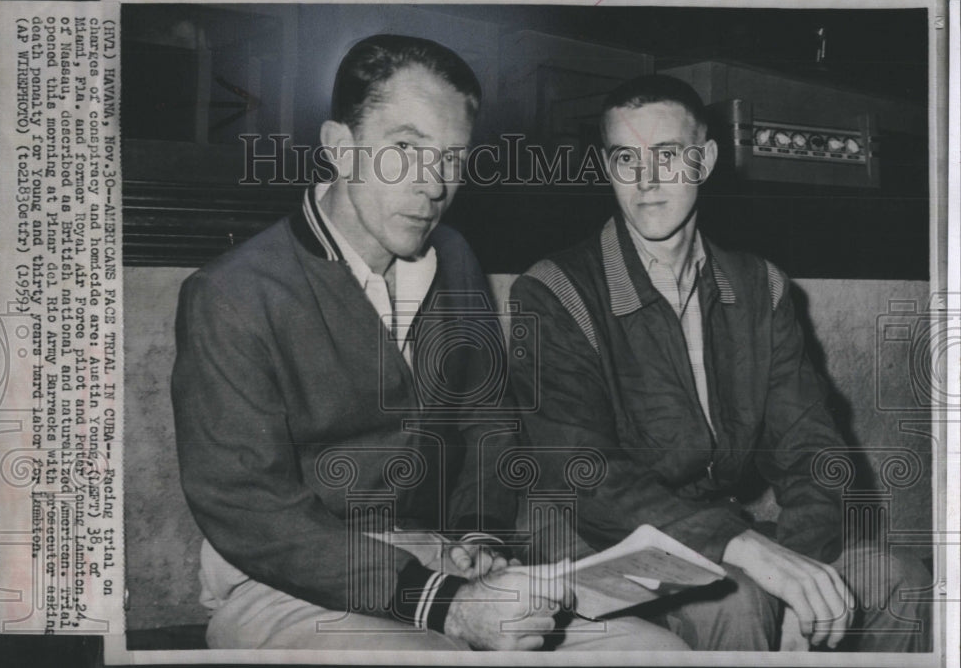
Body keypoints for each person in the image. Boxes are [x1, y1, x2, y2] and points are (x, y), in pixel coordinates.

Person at [172, 35, 686, 652]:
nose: (433, 185)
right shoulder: (232, 293)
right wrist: (444, 605)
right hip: (281, 582)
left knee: (654, 651)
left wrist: (481, 540)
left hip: (440, 559)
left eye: (451, 158)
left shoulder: (452, 255)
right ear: (340, 149)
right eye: (405, 150)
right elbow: (250, 510)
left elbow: (486, 419)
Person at [506, 74, 932, 652]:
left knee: (899, 582)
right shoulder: (554, 290)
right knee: (736, 598)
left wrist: (795, 568)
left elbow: (814, 453)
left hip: (721, 539)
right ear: (607, 168)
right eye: (626, 158)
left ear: (704, 161)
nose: (648, 180)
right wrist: (749, 553)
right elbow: (585, 476)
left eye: (667, 155)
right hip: (595, 546)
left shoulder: (759, 287)